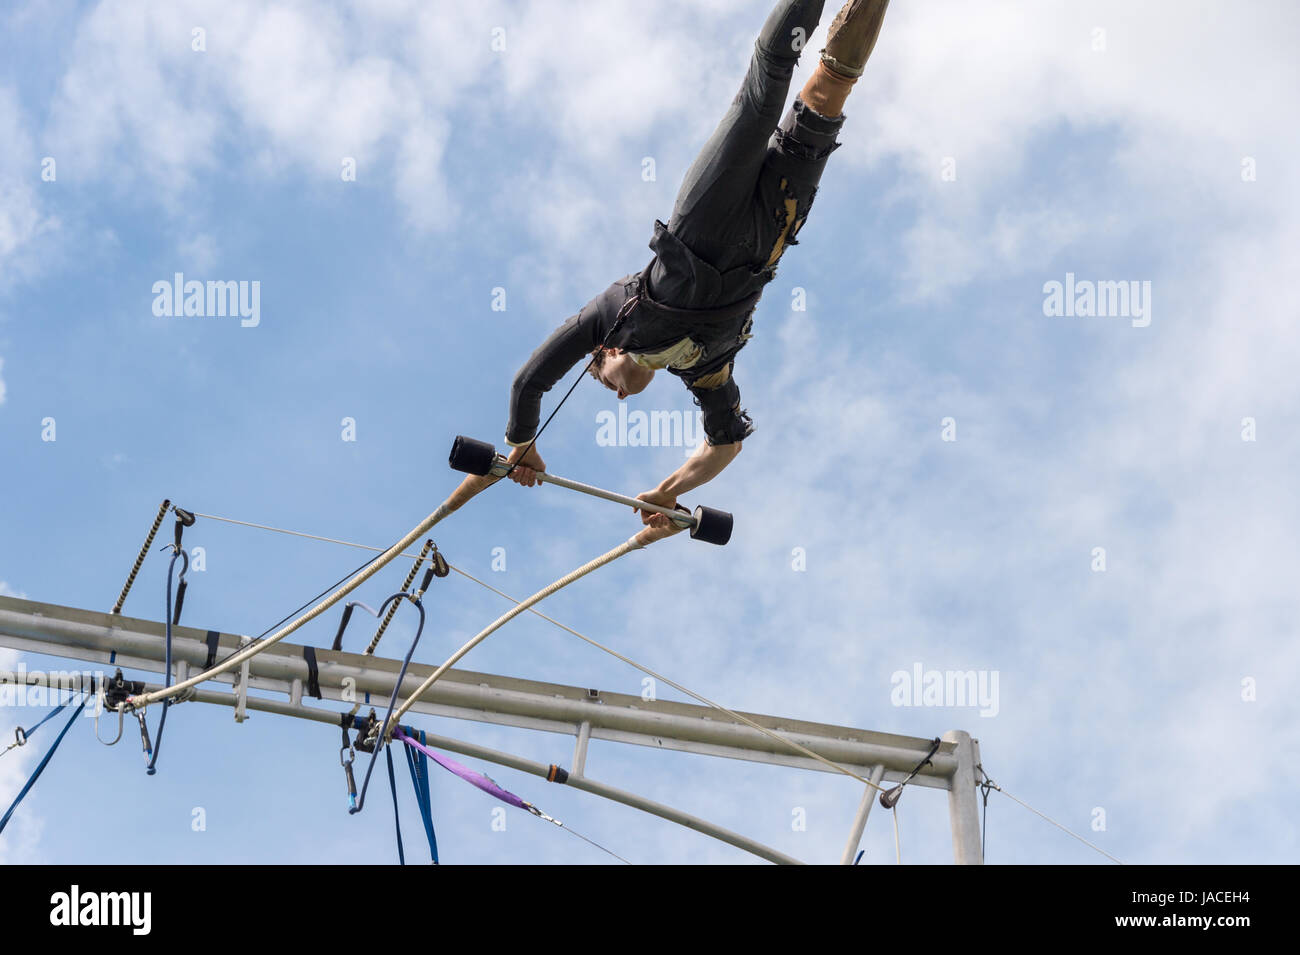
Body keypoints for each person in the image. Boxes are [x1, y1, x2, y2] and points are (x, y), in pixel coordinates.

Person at [502, 0, 891, 532]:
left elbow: (531, 382)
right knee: (828, 90)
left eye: (605, 380)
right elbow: (725, 442)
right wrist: (667, 491)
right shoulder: (705, 371)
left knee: (769, 78)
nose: (618, 393)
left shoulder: (615, 313)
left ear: (604, 352)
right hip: (771, 228)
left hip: (706, 217)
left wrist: (522, 444)